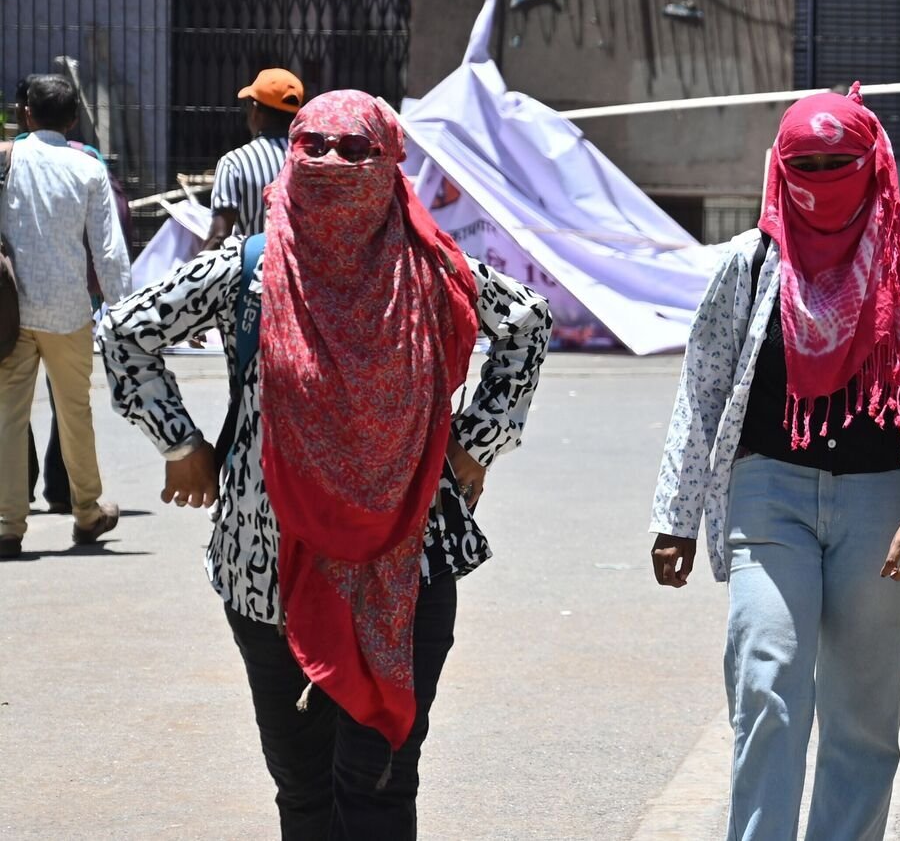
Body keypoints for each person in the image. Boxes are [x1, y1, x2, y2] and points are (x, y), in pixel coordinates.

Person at [99, 90, 553, 838]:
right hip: (268, 572)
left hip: (408, 568)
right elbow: (124, 331)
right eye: (315, 146)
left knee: (377, 790)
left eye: (355, 149)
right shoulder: (249, 271)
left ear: (389, 160)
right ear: (291, 155)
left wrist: (478, 441)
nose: (334, 162)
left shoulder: (432, 266)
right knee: (305, 792)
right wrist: (180, 444)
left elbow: (527, 322)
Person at [650, 84, 900, 841]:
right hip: (769, 493)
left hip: (881, 504)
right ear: (780, 168)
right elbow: (702, 389)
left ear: (873, 163)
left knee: (864, 716)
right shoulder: (750, 263)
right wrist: (675, 518)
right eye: (807, 165)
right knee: (766, 685)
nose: (824, 180)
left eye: (839, 164)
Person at [0, 73, 129, 559]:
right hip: (69, 311)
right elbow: (108, 251)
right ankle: (87, 512)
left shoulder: (6, 159)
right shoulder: (88, 168)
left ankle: (8, 524)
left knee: (9, 415)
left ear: (26, 114)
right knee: (75, 412)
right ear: (75, 120)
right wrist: (125, 313)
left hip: (11, 310)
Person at [203, 67, 302, 251]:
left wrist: (194, 267)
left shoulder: (234, 163)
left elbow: (219, 235)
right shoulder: (308, 160)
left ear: (255, 111)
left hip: (252, 265)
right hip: (299, 265)